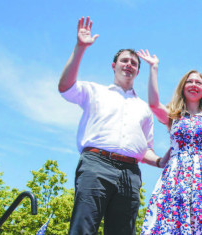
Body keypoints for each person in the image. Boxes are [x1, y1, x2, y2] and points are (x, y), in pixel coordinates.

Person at [58, 17, 169, 235]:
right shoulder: (94, 91)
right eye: (124, 60)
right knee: (83, 227)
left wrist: (159, 161)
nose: (129, 65)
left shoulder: (144, 108)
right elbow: (65, 86)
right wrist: (80, 48)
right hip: (95, 164)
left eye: (134, 63)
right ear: (114, 65)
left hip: (130, 172)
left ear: (138, 71)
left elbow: (145, 148)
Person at [137, 49, 202, 234]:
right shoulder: (174, 116)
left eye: (198, 82)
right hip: (177, 176)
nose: (194, 85)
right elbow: (154, 104)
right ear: (183, 87)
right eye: (190, 81)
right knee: (174, 222)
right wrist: (153, 68)